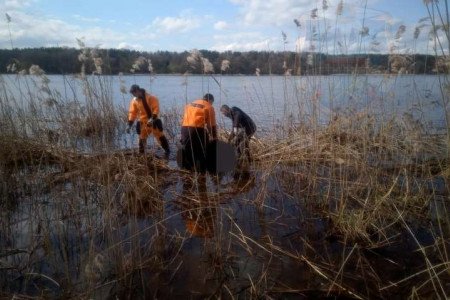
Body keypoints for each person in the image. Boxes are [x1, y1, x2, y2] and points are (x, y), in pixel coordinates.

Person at [126, 84, 170, 154]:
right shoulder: (134, 101)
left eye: (134, 93)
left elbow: (156, 109)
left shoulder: (151, 97)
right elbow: (132, 113)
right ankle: (141, 153)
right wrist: (129, 124)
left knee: (160, 137)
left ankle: (167, 151)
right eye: (132, 94)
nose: (133, 95)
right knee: (141, 138)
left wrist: (152, 118)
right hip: (143, 122)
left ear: (138, 91)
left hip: (154, 122)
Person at [180, 93, 217, 173]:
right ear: (210, 100)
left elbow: (183, 120)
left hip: (184, 129)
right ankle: (202, 175)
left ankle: (187, 174)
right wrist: (214, 139)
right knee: (201, 153)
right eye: (212, 102)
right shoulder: (209, 107)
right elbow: (211, 126)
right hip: (197, 130)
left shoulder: (189, 104)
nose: (211, 104)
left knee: (187, 151)